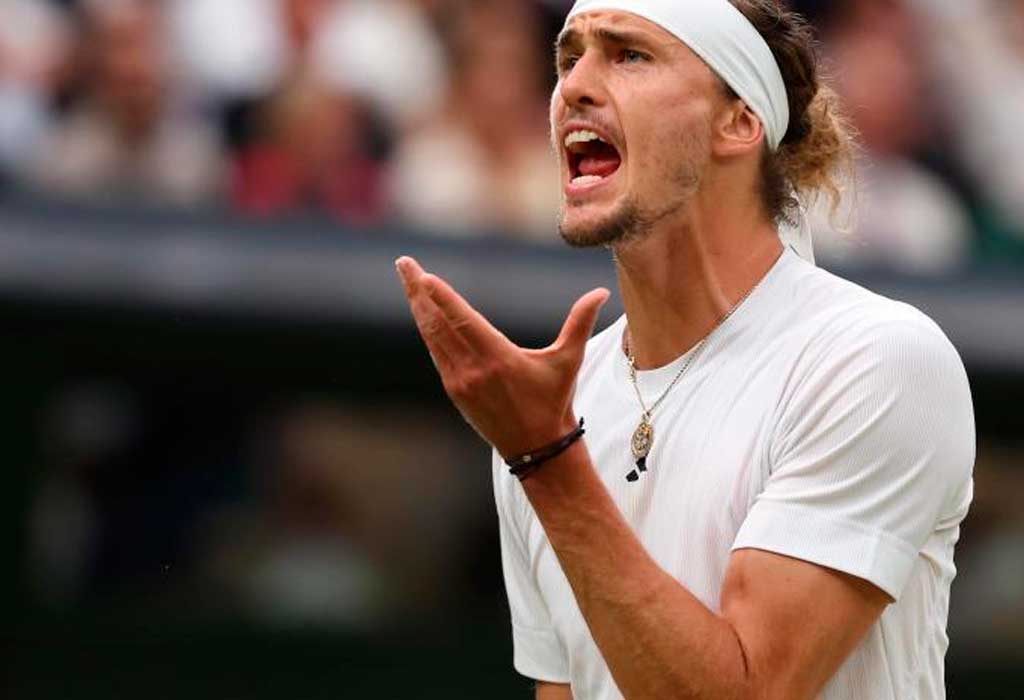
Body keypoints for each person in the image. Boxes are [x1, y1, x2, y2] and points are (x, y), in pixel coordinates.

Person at [395, 1, 975, 698]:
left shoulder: (877, 360)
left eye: (629, 55)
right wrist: (539, 450)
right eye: (568, 58)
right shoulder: (548, 411)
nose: (574, 85)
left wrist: (546, 460)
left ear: (738, 121)